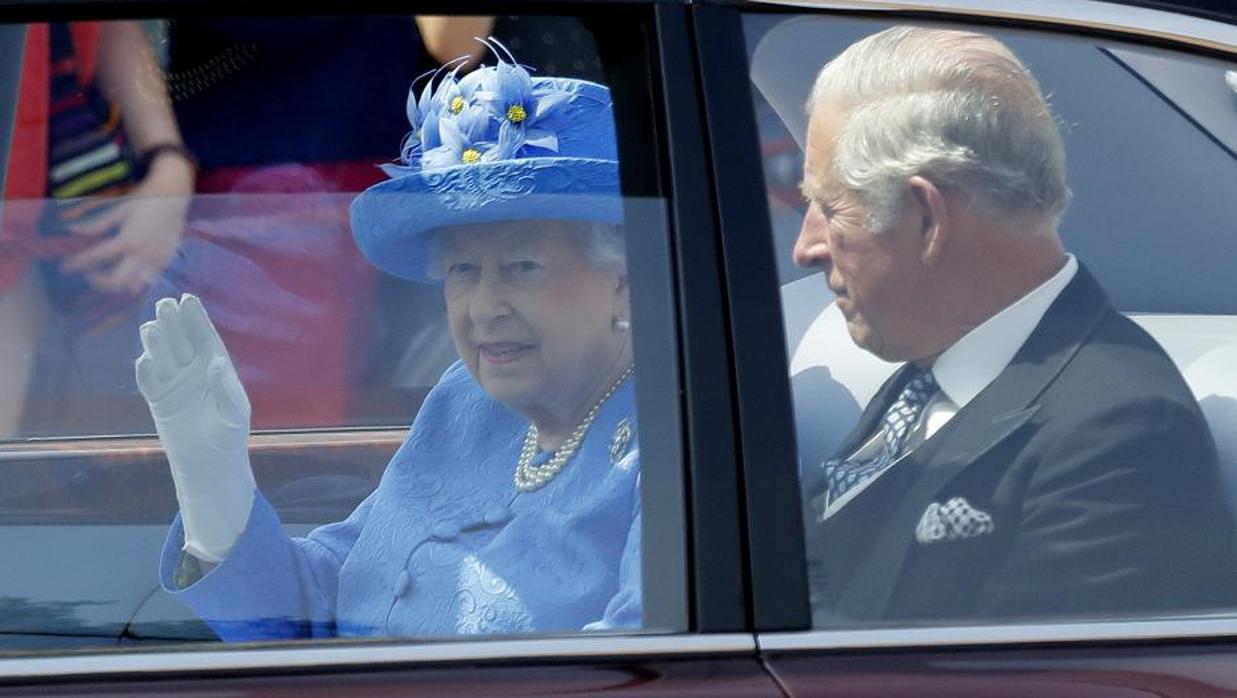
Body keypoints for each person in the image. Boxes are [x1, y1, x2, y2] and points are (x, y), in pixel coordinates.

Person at [136, 45, 641, 640]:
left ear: (625, 284)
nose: (483, 308)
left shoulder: (675, 444)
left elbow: (642, 672)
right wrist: (212, 484)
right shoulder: (465, 404)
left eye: (523, 266)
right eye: (462, 271)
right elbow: (319, 606)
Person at [794, 26, 1237, 624]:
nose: (807, 247)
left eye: (831, 208)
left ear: (927, 217)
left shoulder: (1118, 434)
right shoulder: (932, 371)